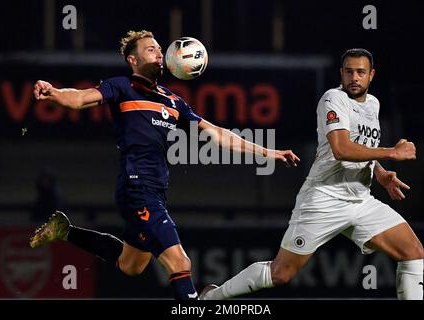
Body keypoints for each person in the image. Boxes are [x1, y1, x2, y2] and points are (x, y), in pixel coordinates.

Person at [29, 30, 299, 300]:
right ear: (133, 60)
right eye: (150, 50)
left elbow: (218, 134)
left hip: (155, 192)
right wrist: (53, 92)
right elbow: (80, 98)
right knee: (180, 264)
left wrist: (269, 152)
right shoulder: (121, 87)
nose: (159, 53)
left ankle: (66, 231)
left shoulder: (173, 101)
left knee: (131, 265)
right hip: (137, 189)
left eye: (159, 48)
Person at [199, 48, 424, 300]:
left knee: (412, 251)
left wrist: (380, 173)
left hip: (360, 200)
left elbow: (363, 146)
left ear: (371, 75)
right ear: (341, 73)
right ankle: (211, 298)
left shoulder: (373, 104)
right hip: (323, 198)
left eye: (361, 72)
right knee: (280, 274)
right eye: (349, 71)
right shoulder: (333, 99)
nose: (354, 77)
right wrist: (391, 152)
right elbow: (341, 149)